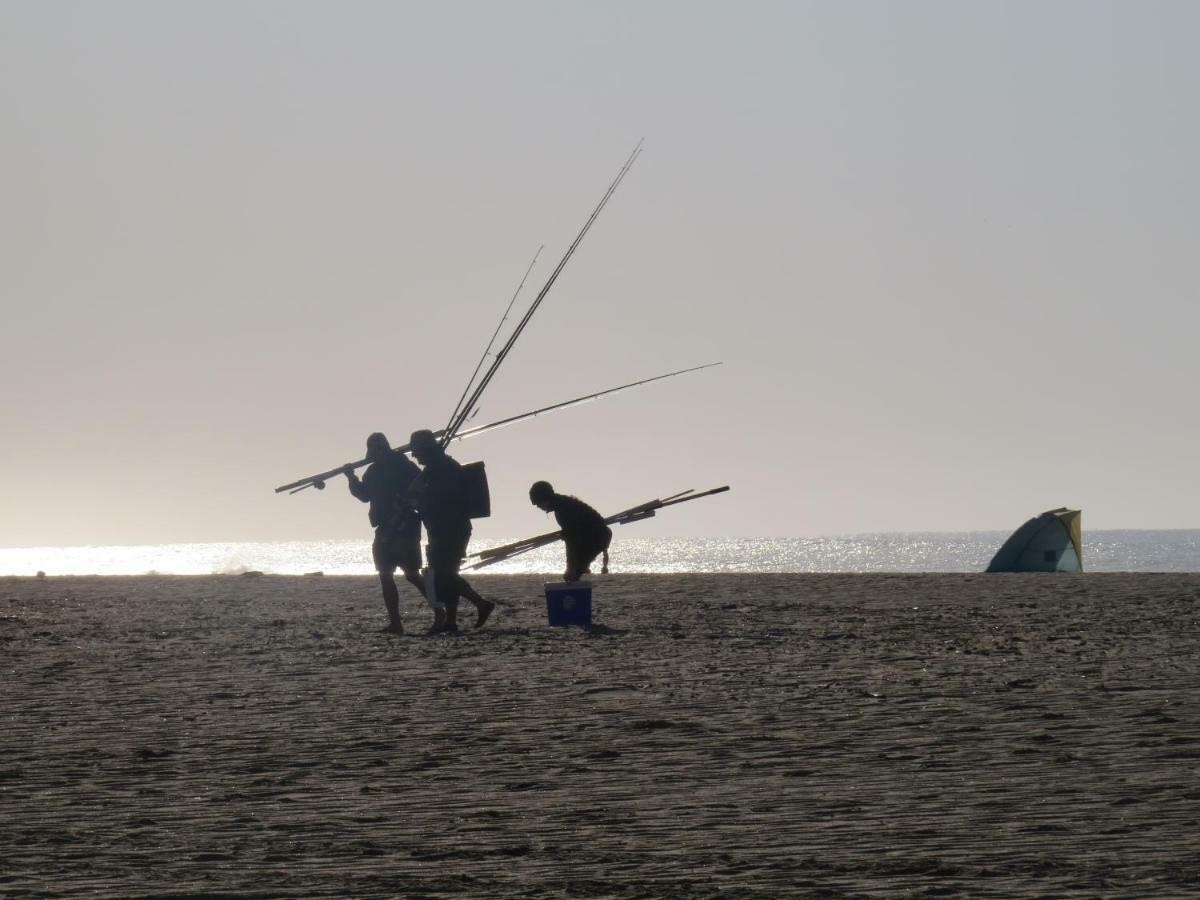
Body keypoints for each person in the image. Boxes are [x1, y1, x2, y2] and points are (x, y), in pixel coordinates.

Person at [408, 429, 495, 633]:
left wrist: (420, 502)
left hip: (449, 529)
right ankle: (451, 621)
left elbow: (442, 501)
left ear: (426, 450)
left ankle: (480, 603)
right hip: (443, 528)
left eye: (417, 451)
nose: (414, 456)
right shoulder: (436, 468)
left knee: (443, 574)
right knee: (447, 573)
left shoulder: (443, 470)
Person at [344, 432, 424, 634]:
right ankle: (396, 623)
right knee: (386, 574)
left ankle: (440, 612)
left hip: (404, 525)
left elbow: (421, 486)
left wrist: (352, 478)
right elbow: (364, 494)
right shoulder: (376, 470)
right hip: (386, 528)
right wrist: (351, 477)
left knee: (411, 574)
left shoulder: (402, 466)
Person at [528, 481, 612, 582]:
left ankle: (578, 584)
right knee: (576, 570)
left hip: (597, 537)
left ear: (545, 498)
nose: (538, 506)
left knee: (573, 572)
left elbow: (572, 540)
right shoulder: (562, 504)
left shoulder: (564, 509)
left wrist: (570, 566)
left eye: (538, 503)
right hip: (594, 536)